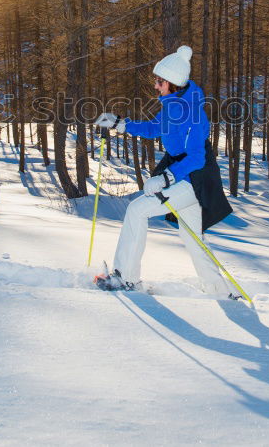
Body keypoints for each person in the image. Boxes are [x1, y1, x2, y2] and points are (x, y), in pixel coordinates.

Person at [93, 45, 233, 296]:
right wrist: (120, 124)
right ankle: (220, 292)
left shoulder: (192, 112)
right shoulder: (173, 104)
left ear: (172, 82)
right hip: (183, 171)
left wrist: (166, 178)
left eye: (159, 81)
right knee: (191, 236)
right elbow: (154, 128)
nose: (155, 85)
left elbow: (197, 157)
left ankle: (126, 279)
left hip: (195, 176)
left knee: (137, 210)